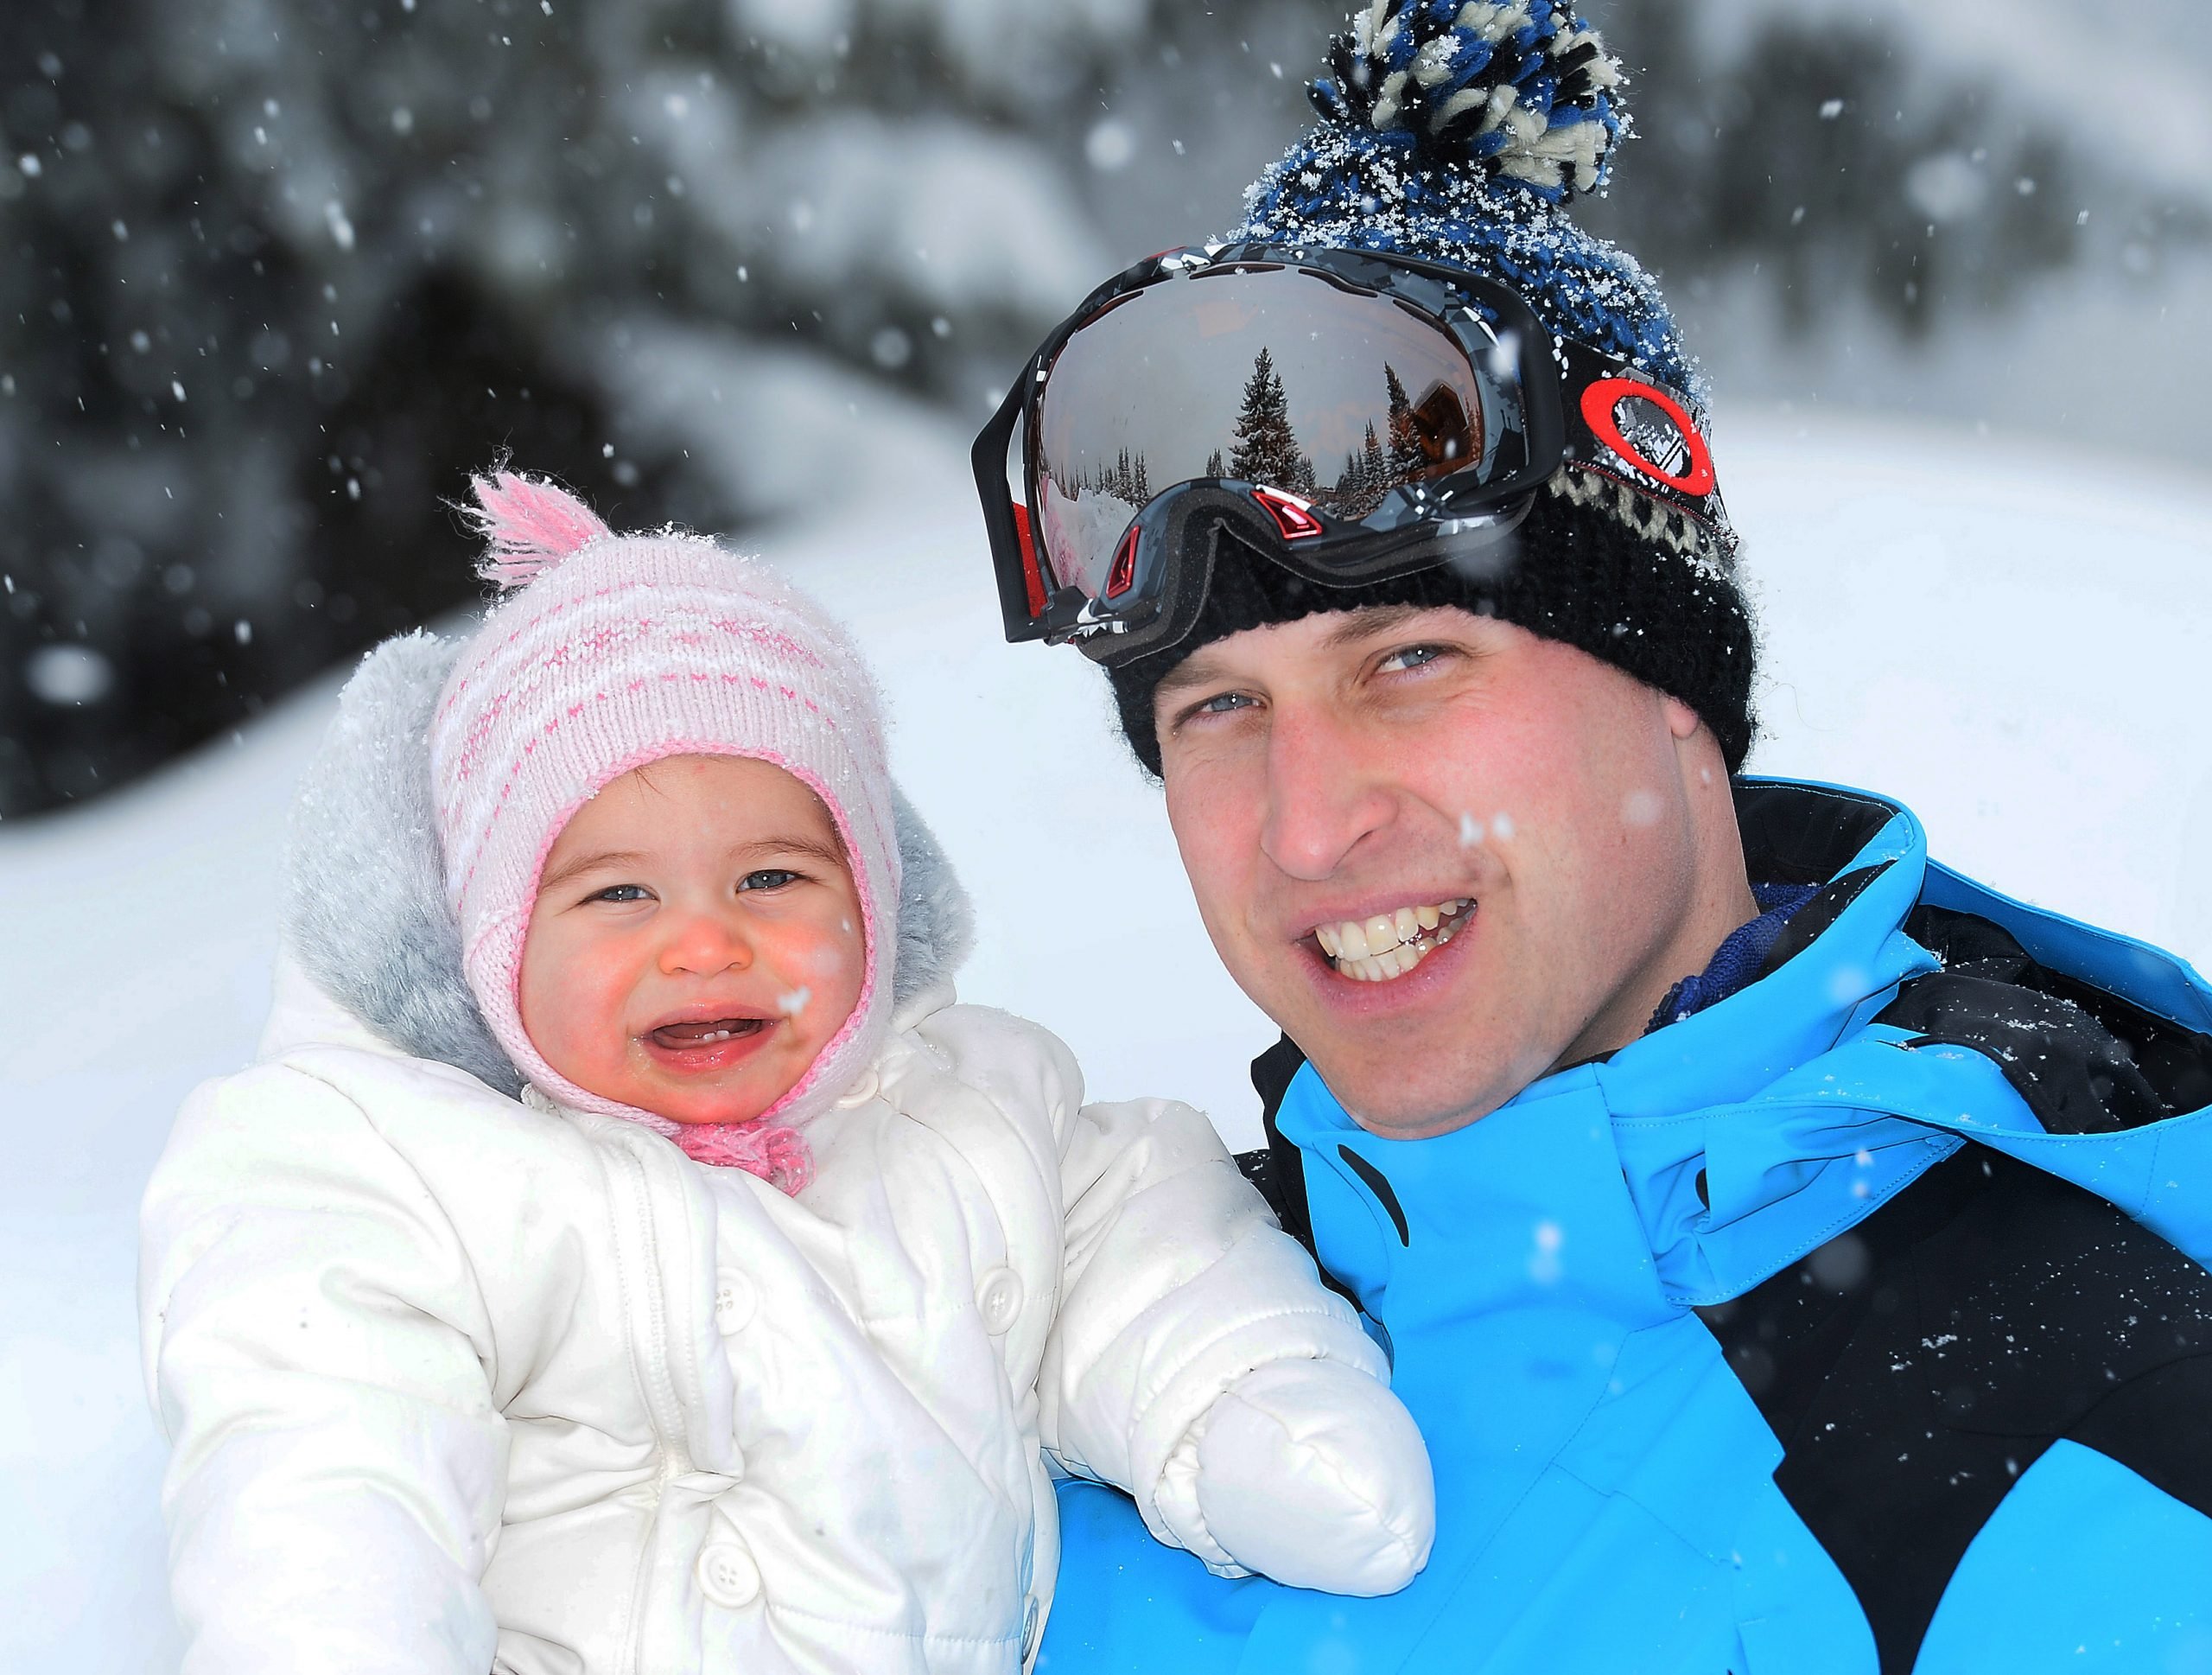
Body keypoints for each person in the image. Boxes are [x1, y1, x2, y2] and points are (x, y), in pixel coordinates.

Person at [975, 4, 2212, 1672]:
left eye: (1410, 662)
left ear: (1671, 696)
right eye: (1216, 710)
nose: (1312, 822)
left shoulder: (2086, 1444)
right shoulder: (1097, 1345)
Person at [137, 472, 1436, 1675]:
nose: (706, 941)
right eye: (618, 892)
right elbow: (325, 1472)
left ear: (871, 899)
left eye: (772, 876)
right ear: (495, 943)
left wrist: (1246, 1401)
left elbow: (1144, 1241)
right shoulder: (410, 1171)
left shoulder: (971, 1111)